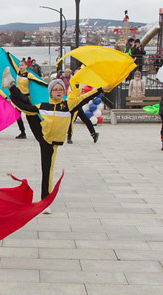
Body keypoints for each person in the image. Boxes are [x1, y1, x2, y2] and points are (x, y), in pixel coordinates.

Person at [6, 77, 101, 212]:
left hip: (52, 140)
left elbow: (84, 98)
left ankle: (11, 86)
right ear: (50, 92)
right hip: (43, 135)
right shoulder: (44, 106)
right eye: (55, 89)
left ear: (63, 91)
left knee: (46, 169)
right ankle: (11, 86)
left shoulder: (68, 105)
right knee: (28, 107)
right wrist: (13, 97)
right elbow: (24, 107)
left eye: (60, 89)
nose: (58, 91)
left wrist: (101, 89)